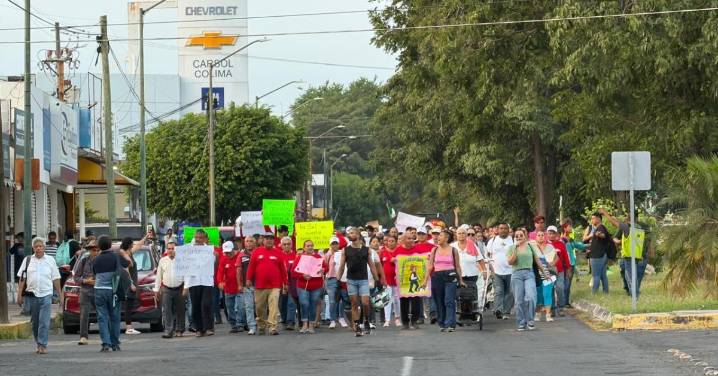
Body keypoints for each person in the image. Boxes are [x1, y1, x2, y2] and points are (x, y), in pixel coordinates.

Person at [16, 237, 62, 354]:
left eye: (40, 246)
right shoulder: (28, 260)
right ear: (33, 248)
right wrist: (19, 295)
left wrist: (60, 295)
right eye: (36, 246)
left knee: (44, 321)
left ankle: (43, 344)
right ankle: (38, 342)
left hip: (46, 294)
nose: (38, 248)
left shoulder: (50, 260)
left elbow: (56, 278)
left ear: (44, 248)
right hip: (32, 295)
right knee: (35, 322)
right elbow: (22, 279)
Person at [336, 227, 383, 336]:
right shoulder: (345, 250)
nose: (349, 235)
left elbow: (372, 265)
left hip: (363, 280)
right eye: (349, 233)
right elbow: (342, 266)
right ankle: (357, 326)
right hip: (351, 280)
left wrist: (377, 280)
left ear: (358, 235)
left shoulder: (367, 250)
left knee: (365, 303)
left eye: (352, 233)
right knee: (354, 303)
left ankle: (366, 320)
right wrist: (337, 279)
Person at [599, 208, 651, 298]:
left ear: (628, 218)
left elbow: (613, 222)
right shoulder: (641, 227)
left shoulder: (627, 227)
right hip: (637, 255)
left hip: (629, 256)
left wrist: (605, 213)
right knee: (633, 277)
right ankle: (634, 294)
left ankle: (635, 297)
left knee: (630, 278)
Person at [93, 235, 129, 352]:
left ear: (99, 246)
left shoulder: (96, 259)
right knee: (115, 317)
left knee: (102, 317)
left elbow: (94, 272)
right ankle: (115, 343)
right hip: (113, 291)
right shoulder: (116, 256)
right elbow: (127, 263)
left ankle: (105, 343)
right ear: (110, 245)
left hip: (99, 290)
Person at [246, 232, 287, 336]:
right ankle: (261, 325)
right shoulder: (256, 252)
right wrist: (248, 279)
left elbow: (283, 269)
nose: (269, 240)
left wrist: (286, 283)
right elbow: (251, 267)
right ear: (262, 240)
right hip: (260, 285)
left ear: (274, 240)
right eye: (267, 238)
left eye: (271, 238)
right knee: (259, 307)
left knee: (273, 306)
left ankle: (273, 327)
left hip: (275, 285)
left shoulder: (278, 253)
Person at [506, 228, 547, 331]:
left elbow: (537, 260)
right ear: (514, 238)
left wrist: (544, 273)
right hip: (516, 274)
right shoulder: (511, 248)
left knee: (531, 297)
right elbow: (510, 262)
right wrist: (515, 248)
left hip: (529, 273)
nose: (519, 237)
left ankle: (530, 320)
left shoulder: (530, 246)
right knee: (519, 300)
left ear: (525, 236)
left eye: (521, 235)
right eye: (517, 236)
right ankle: (521, 322)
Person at [424, 230, 464, 332]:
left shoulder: (453, 250)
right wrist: (425, 280)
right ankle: (442, 323)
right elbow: (430, 266)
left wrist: (461, 280)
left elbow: (458, 266)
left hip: (450, 275)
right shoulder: (434, 250)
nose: (437, 237)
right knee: (439, 301)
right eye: (437, 236)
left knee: (449, 300)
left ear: (446, 238)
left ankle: (450, 324)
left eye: (440, 236)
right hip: (437, 276)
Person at [183, 229, 216, 337]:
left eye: (200, 238)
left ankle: (209, 327)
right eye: (196, 237)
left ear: (205, 238)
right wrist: (185, 286)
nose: (198, 240)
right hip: (193, 282)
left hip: (206, 281)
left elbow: (215, 263)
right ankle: (199, 329)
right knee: (196, 306)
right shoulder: (188, 250)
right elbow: (186, 268)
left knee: (206, 304)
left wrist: (215, 255)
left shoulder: (209, 250)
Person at [292, 240, 328, 334]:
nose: (310, 247)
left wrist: (323, 269)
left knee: (313, 304)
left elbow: (326, 268)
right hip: (303, 285)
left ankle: (311, 325)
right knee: (304, 303)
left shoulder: (318, 257)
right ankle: (304, 324)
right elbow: (293, 272)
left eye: (311, 245)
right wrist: (302, 276)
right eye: (308, 246)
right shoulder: (299, 258)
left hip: (316, 285)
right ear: (304, 248)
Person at [452, 227, 487, 322]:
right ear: (456, 235)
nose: (461, 235)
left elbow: (480, 259)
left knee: (470, 294)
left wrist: (484, 271)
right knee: (461, 295)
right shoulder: (453, 246)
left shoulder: (472, 245)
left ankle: (471, 314)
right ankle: (463, 314)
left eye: (464, 233)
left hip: (471, 274)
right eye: (459, 233)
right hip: (458, 275)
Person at [154, 239, 186, 338]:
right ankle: (169, 330)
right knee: (167, 310)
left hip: (180, 287)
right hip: (166, 288)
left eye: (173, 249)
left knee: (180, 310)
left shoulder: (182, 260)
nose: (171, 250)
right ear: (166, 250)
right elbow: (159, 276)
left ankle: (179, 329)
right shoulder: (163, 261)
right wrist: (156, 289)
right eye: (169, 249)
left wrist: (186, 287)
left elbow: (186, 274)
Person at [393, 233, 425, 330]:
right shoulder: (398, 250)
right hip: (403, 281)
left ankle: (414, 321)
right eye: (409, 238)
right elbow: (393, 262)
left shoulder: (417, 249)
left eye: (412, 238)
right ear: (402, 240)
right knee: (404, 302)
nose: (411, 240)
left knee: (416, 301)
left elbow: (423, 262)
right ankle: (405, 322)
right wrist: (394, 260)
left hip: (415, 279)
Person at [72, 240, 99, 345]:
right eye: (93, 250)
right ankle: (83, 337)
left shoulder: (102, 261)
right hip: (86, 291)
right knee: (84, 315)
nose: (96, 252)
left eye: (97, 250)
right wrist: (86, 281)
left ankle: (106, 335)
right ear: (89, 250)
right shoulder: (83, 260)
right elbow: (76, 277)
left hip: (99, 291)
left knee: (102, 314)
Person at [486, 222, 514, 320]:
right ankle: (498, 310)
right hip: (496, 271)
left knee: (510, 292)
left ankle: (505, 311)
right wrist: (490, 269)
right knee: (499, 291)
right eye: (501, 228)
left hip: (511, 271)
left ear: (508, 230)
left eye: (505, 228)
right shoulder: (492, 240)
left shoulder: (513, 240)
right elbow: (487, 255)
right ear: (498, 230)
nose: (503, 230)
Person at [325, 235, 350, 329]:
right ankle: (332, 319)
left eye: (336, 243)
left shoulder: (342, 253)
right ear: (330, 245)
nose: (334, 245)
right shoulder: (328, 254)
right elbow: (325, 265)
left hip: (342, 278)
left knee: (343, 299)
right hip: (331, 278)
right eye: (332, 244)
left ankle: (341, 318)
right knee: (332, 301)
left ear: (339, 244)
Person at [583, 212, 612, 294]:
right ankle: (606, 292)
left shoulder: (601, 228)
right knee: (603, 276)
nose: (591, 220)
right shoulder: (599, 228)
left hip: (597, 256)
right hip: (601, 255)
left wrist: (599, 234)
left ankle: (594, 293)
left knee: (596, 276)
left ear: (598, 219)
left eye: (593, 218)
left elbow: (603, 235)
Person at [561, 219, 586, 307]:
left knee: (568, 284)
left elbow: (579, 245)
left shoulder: (570, 239)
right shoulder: (562, 240)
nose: (571, 227)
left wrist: (590, 245)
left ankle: (566, 302)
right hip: (565, 265)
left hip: (571, 264)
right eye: (569, 226)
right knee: (566, 284)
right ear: (564, 228)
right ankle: (563, 302)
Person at [217, 241, 242, 333]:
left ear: (233, 250)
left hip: (240, 288)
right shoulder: (223, 259)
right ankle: (233, 325)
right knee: (229, 307)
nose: (227, 254)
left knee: (240, 307)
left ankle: (241, 323)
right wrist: (220, 282)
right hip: (228, 288)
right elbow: (220, 272)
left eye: (229, 252)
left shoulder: (240, 256)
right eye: (226, 252)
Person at [546, 226, 571, 316]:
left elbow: (566, 257)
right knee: (550, 289)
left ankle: (561, 307)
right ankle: (552, 308)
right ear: (547, 234)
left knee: (560, 288)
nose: (551, 235)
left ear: (556, 234)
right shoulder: (544, 244)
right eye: (550, 233)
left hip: (560, 271)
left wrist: (568, 269)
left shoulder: (561, 244)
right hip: (548, 271)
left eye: (553, 233)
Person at [235, 236, 258, 335]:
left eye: (251, 241)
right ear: (244, 243)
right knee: (249, 307)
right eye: (247, 241)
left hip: (259, 285)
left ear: (255, 243)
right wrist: (240, 285)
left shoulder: (259, 253)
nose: (249, 243)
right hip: (247, 285)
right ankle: (252, 326)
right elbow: (238, 271)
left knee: (260, 307)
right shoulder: (241, 255)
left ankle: (261, 324)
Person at [533, 230, 558, 322]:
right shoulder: (533, 247)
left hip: (548, 274)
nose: (540, 236)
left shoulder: (550, 247)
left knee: (547, 294)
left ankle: (548, 314)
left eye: (542, 235)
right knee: (538, 296)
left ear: (545, 236)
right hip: (537, 276)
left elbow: (556, 257)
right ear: (536, 237)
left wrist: (552, 263)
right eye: (538, 235)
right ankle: (538, 313)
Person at [119, 237, 141, 335]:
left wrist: (145, 237)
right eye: (132, 243)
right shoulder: (124, 254)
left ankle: (129, 327)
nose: (133, 244)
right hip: (128, 284)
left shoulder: (129, 252)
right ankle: (128, 328)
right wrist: (131, 283)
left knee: (130, 306)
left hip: (132, 282)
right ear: (128, 244)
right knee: (128, 306)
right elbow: (127, 270)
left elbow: (138, 246)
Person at [380, 234, 401, 327]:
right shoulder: (382, 252)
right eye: (389, 241)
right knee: (386, 300)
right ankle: (387, 320)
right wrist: (381, 277)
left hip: (397, 279)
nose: (390, 243)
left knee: (397, 300)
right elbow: (379, 265)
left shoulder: (400, 251)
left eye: (392, 241)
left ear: (396, 242)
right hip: (386, 280)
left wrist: (397, 260)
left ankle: (397, 318)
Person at [278, 236, 299, 331]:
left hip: (293, 284)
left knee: (291, 303)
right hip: (280, 283)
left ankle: (291, 322)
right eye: (284, 244)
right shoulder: (278, 256)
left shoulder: (296, 256)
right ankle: (284, 319)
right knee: (282, 304)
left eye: (288, 244)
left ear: (292, 245)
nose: (286, 246)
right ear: (281, 245)